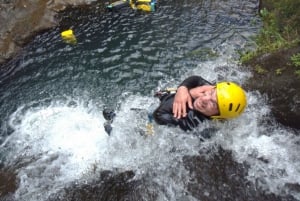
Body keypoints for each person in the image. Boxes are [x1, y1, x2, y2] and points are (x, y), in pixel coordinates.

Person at [153, 75, 247, 131]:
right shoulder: (210, 89)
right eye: (211, 93)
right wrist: (182, 88)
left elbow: (159, 114)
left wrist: (190, 93)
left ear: (218, 116)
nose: (205, 98)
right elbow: (196, 79)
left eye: (213, 104)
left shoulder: (196, 123)